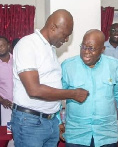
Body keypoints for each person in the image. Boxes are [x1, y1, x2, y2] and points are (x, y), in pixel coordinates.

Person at [11, 9, 89, 147]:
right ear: (53, 27)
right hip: (30, 122)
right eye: (65, 35)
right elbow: (34, 89)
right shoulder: (28, 44)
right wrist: (73, 94)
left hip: (50, 121)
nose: (66, 40)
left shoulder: (49, 48)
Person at [60, 29, 118, 147]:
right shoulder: (68, 66)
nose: (86, 52)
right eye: (83, 46)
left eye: (91, 48)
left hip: (106, 134)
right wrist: (58, 121)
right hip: (76, 134)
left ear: (102, 49)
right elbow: (57, 95)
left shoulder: (114, 65)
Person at [0, 36, 14, 147]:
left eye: (2, 45)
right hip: (5, 107)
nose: (0, 47)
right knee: (8, 134)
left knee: (20, 134)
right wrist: (2, 100)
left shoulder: (18, 60)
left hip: (22, 105)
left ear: (8, 46)